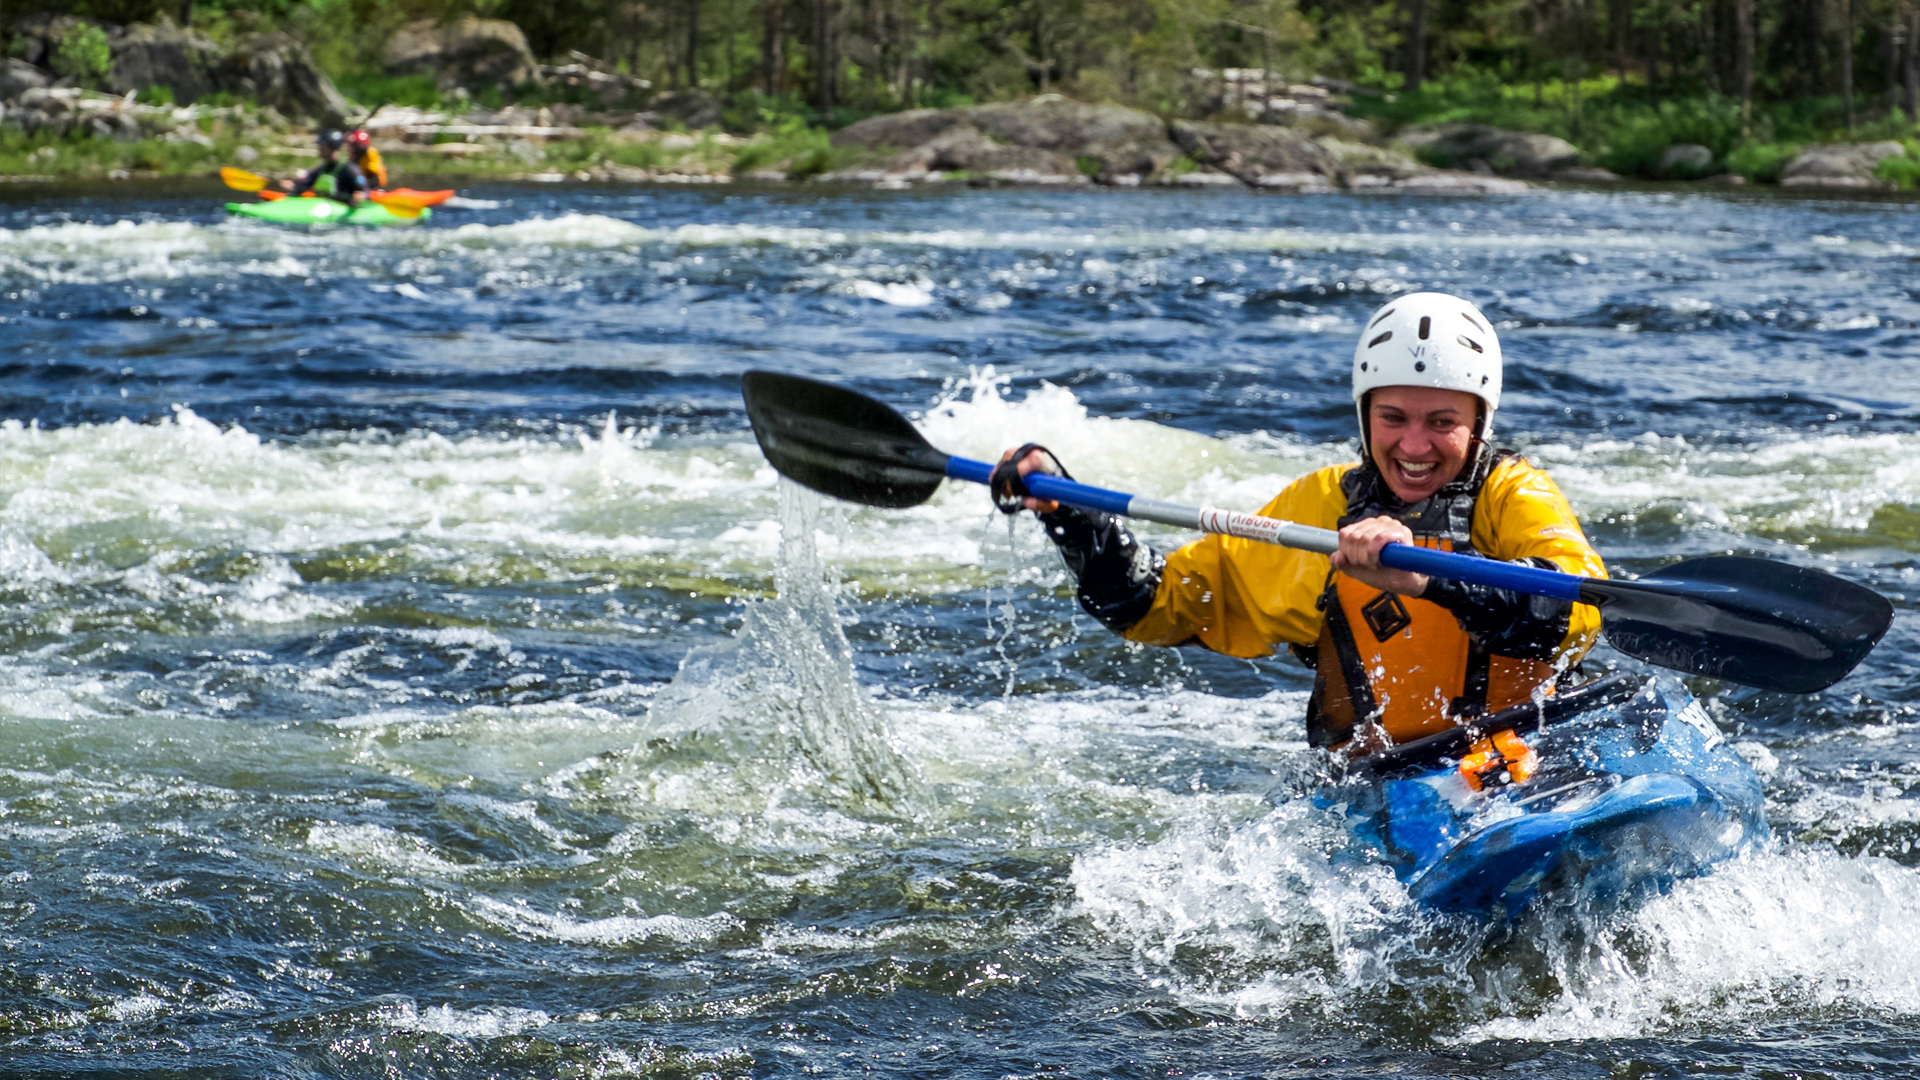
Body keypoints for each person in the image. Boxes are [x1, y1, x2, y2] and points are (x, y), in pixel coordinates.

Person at [992, 292, 1607, 753]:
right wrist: (1070, 514)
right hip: (1385, 783)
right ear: (1365, 413)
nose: (1413, 445)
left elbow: (1577, 613)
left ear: (1479, 423)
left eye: (1442, 422)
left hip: (1526, 754)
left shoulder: (1513, 492)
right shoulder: (1320, 505)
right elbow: (1157, 605)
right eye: (1393, 417)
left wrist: (1429, 577)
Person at [280, 129, 370, 204]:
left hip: (343, 207)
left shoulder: (349, 169)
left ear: (333, 148)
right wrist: (293, 185)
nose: (320, 150)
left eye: (323, 147)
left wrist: (360, 195)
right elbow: (305, 183)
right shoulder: (321, 169)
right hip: (322, 206)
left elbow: (363, 190)